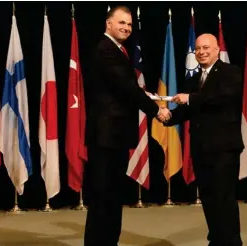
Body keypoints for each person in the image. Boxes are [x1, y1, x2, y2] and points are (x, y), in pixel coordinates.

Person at [84, 6, 170, 246]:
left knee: (112, 197)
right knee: (104, 198)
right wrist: (157, 111)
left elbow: (127, 90)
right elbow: (127, 88)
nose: (126, 28)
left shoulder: (118, 50)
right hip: (106, 137)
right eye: (121, 23)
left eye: (130, 25)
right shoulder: (105, 50)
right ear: (108, 23)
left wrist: (150, 99)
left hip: (115, 136)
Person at [164, 33, 244, 246]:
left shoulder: (231, 72)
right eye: (198, 48)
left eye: (206, 48)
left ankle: (231, 242)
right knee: (208, 198)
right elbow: (188, 111)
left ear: (217, 50)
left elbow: (222, 98)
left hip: (224, 148)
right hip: (201, 149)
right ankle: (216, 239)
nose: (201, 52)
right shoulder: (193, 79)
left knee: (224, 198)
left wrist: (190, 98)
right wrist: (167, 116)